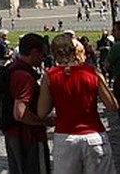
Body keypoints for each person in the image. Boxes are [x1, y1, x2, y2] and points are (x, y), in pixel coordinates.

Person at [37, 34, 118, 174]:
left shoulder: (50, 76)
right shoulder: (92, 73)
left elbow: (42, 112)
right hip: (94, 134)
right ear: (75, 51)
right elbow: (113, 105)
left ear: (54, 54)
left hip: (66, 136)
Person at [2, 33, 53, 174]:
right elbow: (20, 113)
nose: (44, 58)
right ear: (34, 52)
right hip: (28, 136)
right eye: (42, 54)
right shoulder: (24, 77)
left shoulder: (14, 68)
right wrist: (44, 122)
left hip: (14, 133)